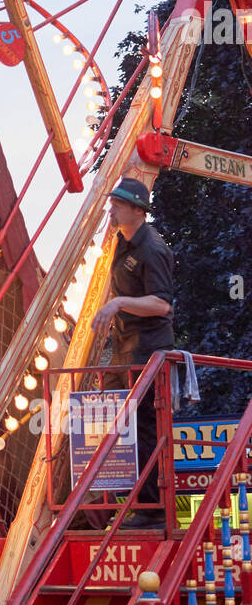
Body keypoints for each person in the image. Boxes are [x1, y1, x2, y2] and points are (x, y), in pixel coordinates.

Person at [91, 177, 175, 527]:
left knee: (143, 426)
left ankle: (151, 509)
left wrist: (119, 303)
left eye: (119, 204)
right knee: (120, 421)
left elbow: (162, 304)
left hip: (148, 348)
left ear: (138, 211)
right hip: (127, 347)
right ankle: (124, 501)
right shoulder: (121, 242)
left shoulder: (152, 249)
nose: (112, 208)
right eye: (112, 202)